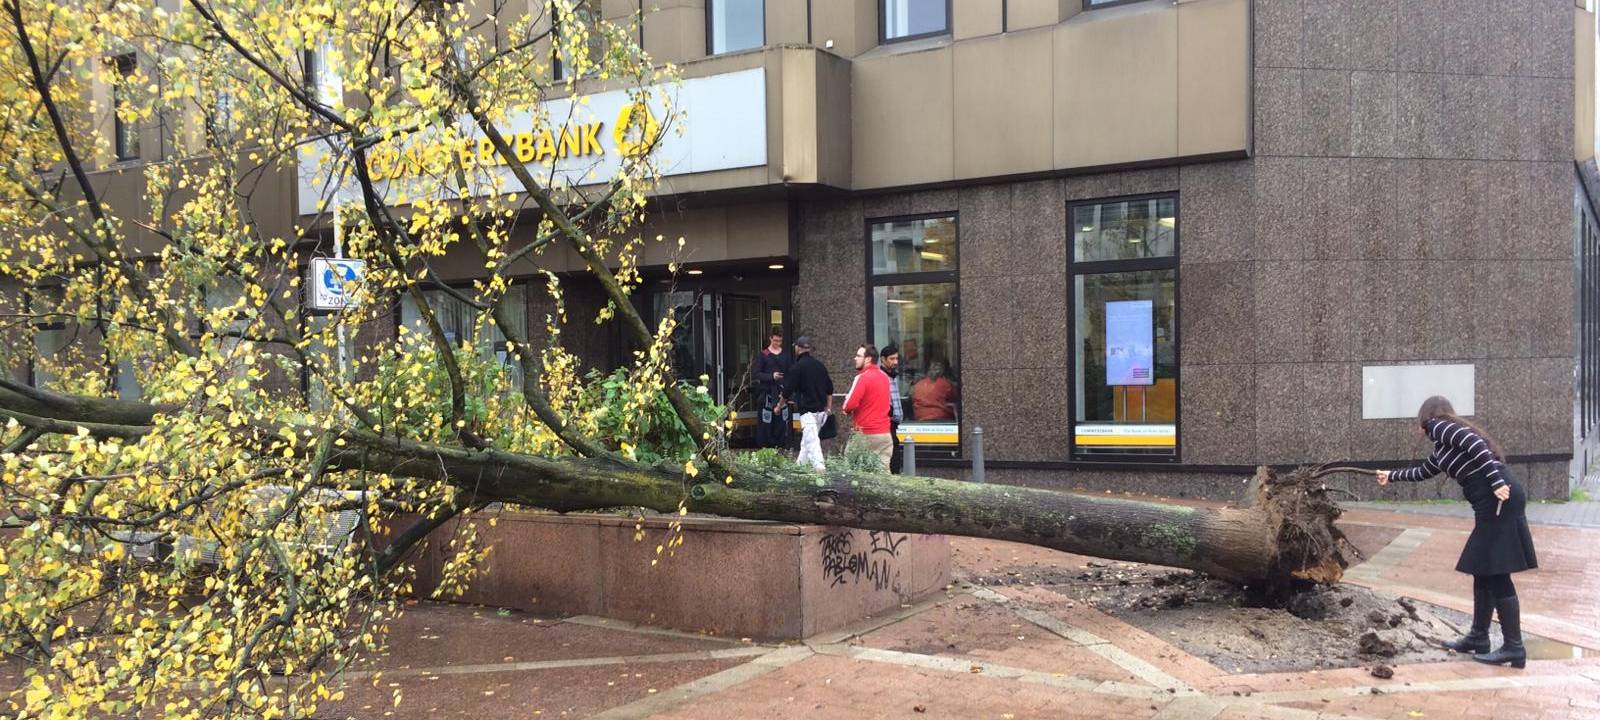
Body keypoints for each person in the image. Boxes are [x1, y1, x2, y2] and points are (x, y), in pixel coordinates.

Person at [1375, 396, 1538, 669]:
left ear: (1426, 417)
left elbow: (1477, 446)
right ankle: (1478, 636)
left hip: (1499, 498)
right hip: (1491, 503)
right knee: (1482, 567)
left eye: (1419, 423)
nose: (1420, 430)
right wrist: (1390, 475)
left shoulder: (1440, 425)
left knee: (1497, 572)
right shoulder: (1443, 449)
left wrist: (1497, 483)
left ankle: (1514, 647)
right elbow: (1423, 472)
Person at [782, 336, 833, 470]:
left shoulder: (797, 367)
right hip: (821, 412)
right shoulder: (820, 366)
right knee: (807, 443)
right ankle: (799, 469)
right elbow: (830, 389)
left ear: (798, 348)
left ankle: (821, 471)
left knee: (812, 443)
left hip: (807, 412)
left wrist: (778, 405)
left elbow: (787, 391)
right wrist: (828, 408)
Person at [841, 344, 893, 471]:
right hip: (884, 434)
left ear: (868, 359)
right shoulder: (885, 377)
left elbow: (850, 404)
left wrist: (845, 409)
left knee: (851, 472)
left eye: (858, 356)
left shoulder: (862, 378)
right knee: (883, 475)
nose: (855, 358)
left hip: (865, 434)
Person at [750, 328, 793, 448]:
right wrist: (771, 376)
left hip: (781, 393)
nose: (777, 343)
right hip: (767, 393)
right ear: (770, 338)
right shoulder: (763, 355)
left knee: (782, 422)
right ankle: (766, 447)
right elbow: (756, 374)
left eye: (779, 341)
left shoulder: (786, 355)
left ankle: (781, 446)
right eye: (775, 341)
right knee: (766, 422)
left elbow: (791, 374)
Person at [880, 343, 905, 473]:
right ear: (883, 359)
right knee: (892, 452)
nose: (895, 362)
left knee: (894, 451)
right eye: (892, 359)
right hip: (886, 420)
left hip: (893, 421)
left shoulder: (892, 375)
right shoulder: (881, 376)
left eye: (896, 358)